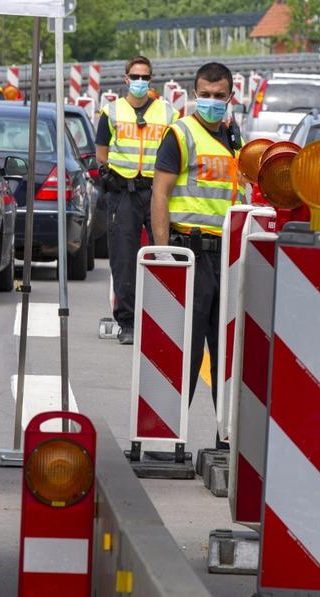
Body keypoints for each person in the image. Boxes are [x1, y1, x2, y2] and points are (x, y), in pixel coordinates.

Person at [150, 61, 243, 411]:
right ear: (194, 94)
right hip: (190, 254)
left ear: (230, 96)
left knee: (228, 354)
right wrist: (162, 255)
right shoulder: (180, 134)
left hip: (230, 257)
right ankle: (168, 434)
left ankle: (228, 439)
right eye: (205, 95)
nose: (211, 101)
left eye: (219, 96)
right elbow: (160, 194)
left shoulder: (237, 141)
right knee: (184, 350)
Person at [96, 56, 177, 345]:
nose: (141, 82)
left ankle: (163, 319)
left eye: (146, 77)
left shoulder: (168, 113)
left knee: (165, 253)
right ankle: (127, 322)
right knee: (123, 258)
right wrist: (111, 178)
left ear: (151, 80)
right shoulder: (112, 112)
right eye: (136, 76)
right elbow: (101, 154)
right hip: (124, 193)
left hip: (157, 193)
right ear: (126, 78)